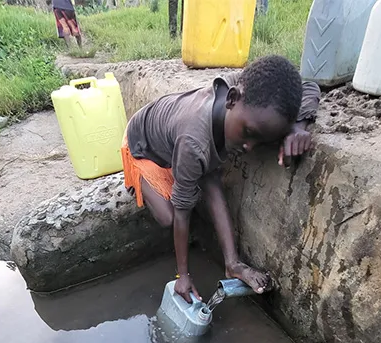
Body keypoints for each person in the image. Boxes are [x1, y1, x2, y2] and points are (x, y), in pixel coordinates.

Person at [121, 55, 321, 303]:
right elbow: (183, 214)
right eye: (249, 133)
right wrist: (182, 275)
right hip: (141, 145)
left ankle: (232, 264)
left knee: (210, 179)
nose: (250, 147)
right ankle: (134, 179)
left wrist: (299, 127)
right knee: (169, 216)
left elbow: (310, 86)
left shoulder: (248, 90)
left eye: (262, 141)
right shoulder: (193, 143)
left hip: (183, 142)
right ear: (232, 99)